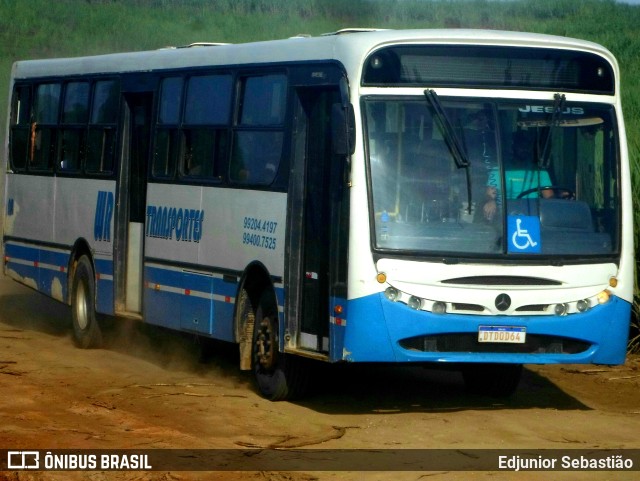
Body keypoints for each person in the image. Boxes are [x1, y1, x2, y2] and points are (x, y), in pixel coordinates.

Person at [483, 131, 553, 221]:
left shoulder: (540, 172)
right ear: (513, 147)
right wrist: (490, 201)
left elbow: (549, 198)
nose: (524, 149)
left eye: (527, 146)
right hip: (505, 216)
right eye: (521, 146)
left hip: (534, 215)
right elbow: (489, 194)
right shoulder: (499, 170)